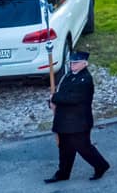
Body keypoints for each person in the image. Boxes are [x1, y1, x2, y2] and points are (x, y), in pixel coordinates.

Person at [44, 50, 110, 183]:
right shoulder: (68, 76)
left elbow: (73, 98)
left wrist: (55, 98)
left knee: (84, 148)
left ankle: (101, 166)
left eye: (76, 63)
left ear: (84, 64)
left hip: (78, 122)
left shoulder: (85, 79)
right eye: (71, 62)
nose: (72, 65)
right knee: (65, 149)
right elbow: (60, 93)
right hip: (64, 121)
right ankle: (63, 173)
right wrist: (51, 102)